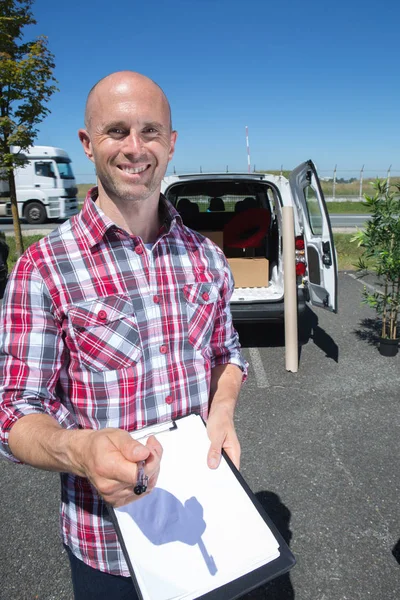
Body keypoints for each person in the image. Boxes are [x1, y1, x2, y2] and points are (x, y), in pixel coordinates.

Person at [0, 71, 247, 599]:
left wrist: (222, 411)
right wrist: (81, 450)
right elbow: (15, 412)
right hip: (107, 545)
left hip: (208, 515)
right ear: (88, 144)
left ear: (172, 143)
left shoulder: (206, 257)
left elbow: (228, 354)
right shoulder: (43, 268)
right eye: (117, 131)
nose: (135, 148)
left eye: (151, 131)